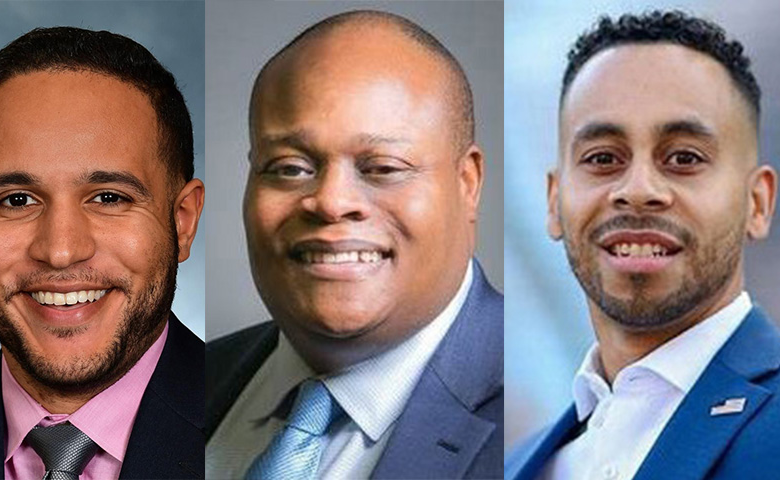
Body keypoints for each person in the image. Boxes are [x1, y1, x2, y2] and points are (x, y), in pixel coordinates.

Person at [205, 10, 502, 479]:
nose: (331, 202)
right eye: (289, 167)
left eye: (382, 167)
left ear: (467, 183)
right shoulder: (185, 386)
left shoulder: (537, 413)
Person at [505, 10, 780, 480]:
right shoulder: (520, 465)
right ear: (554, 202)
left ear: (757, 203)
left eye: (684, 158)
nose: (637, 188)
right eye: (603, 158)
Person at [0, 27, 205, 479]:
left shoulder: (246, 424)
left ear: (182, 220)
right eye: (17, 200)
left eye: (108, 198)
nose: (60, 252)